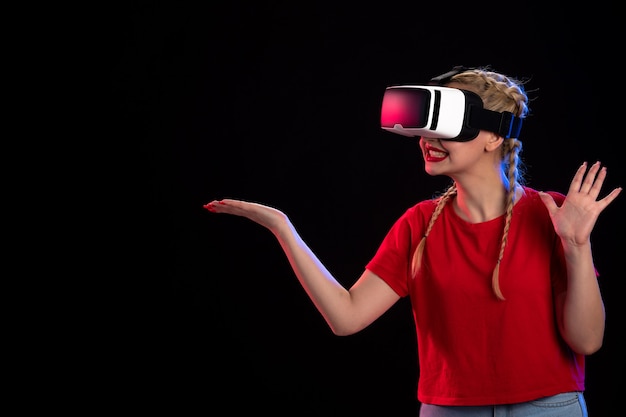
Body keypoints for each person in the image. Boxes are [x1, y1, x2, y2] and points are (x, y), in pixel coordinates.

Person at [202, 66, 622, 416]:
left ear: (493, 136)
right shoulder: (418, 224)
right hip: (449, 410)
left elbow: (587, 341)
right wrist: (283, 227)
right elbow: (346, 318)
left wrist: (576, 246)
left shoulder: (553, 214)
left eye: (445, 127)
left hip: (549, 408)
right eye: (425, 127)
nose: (427, 139)